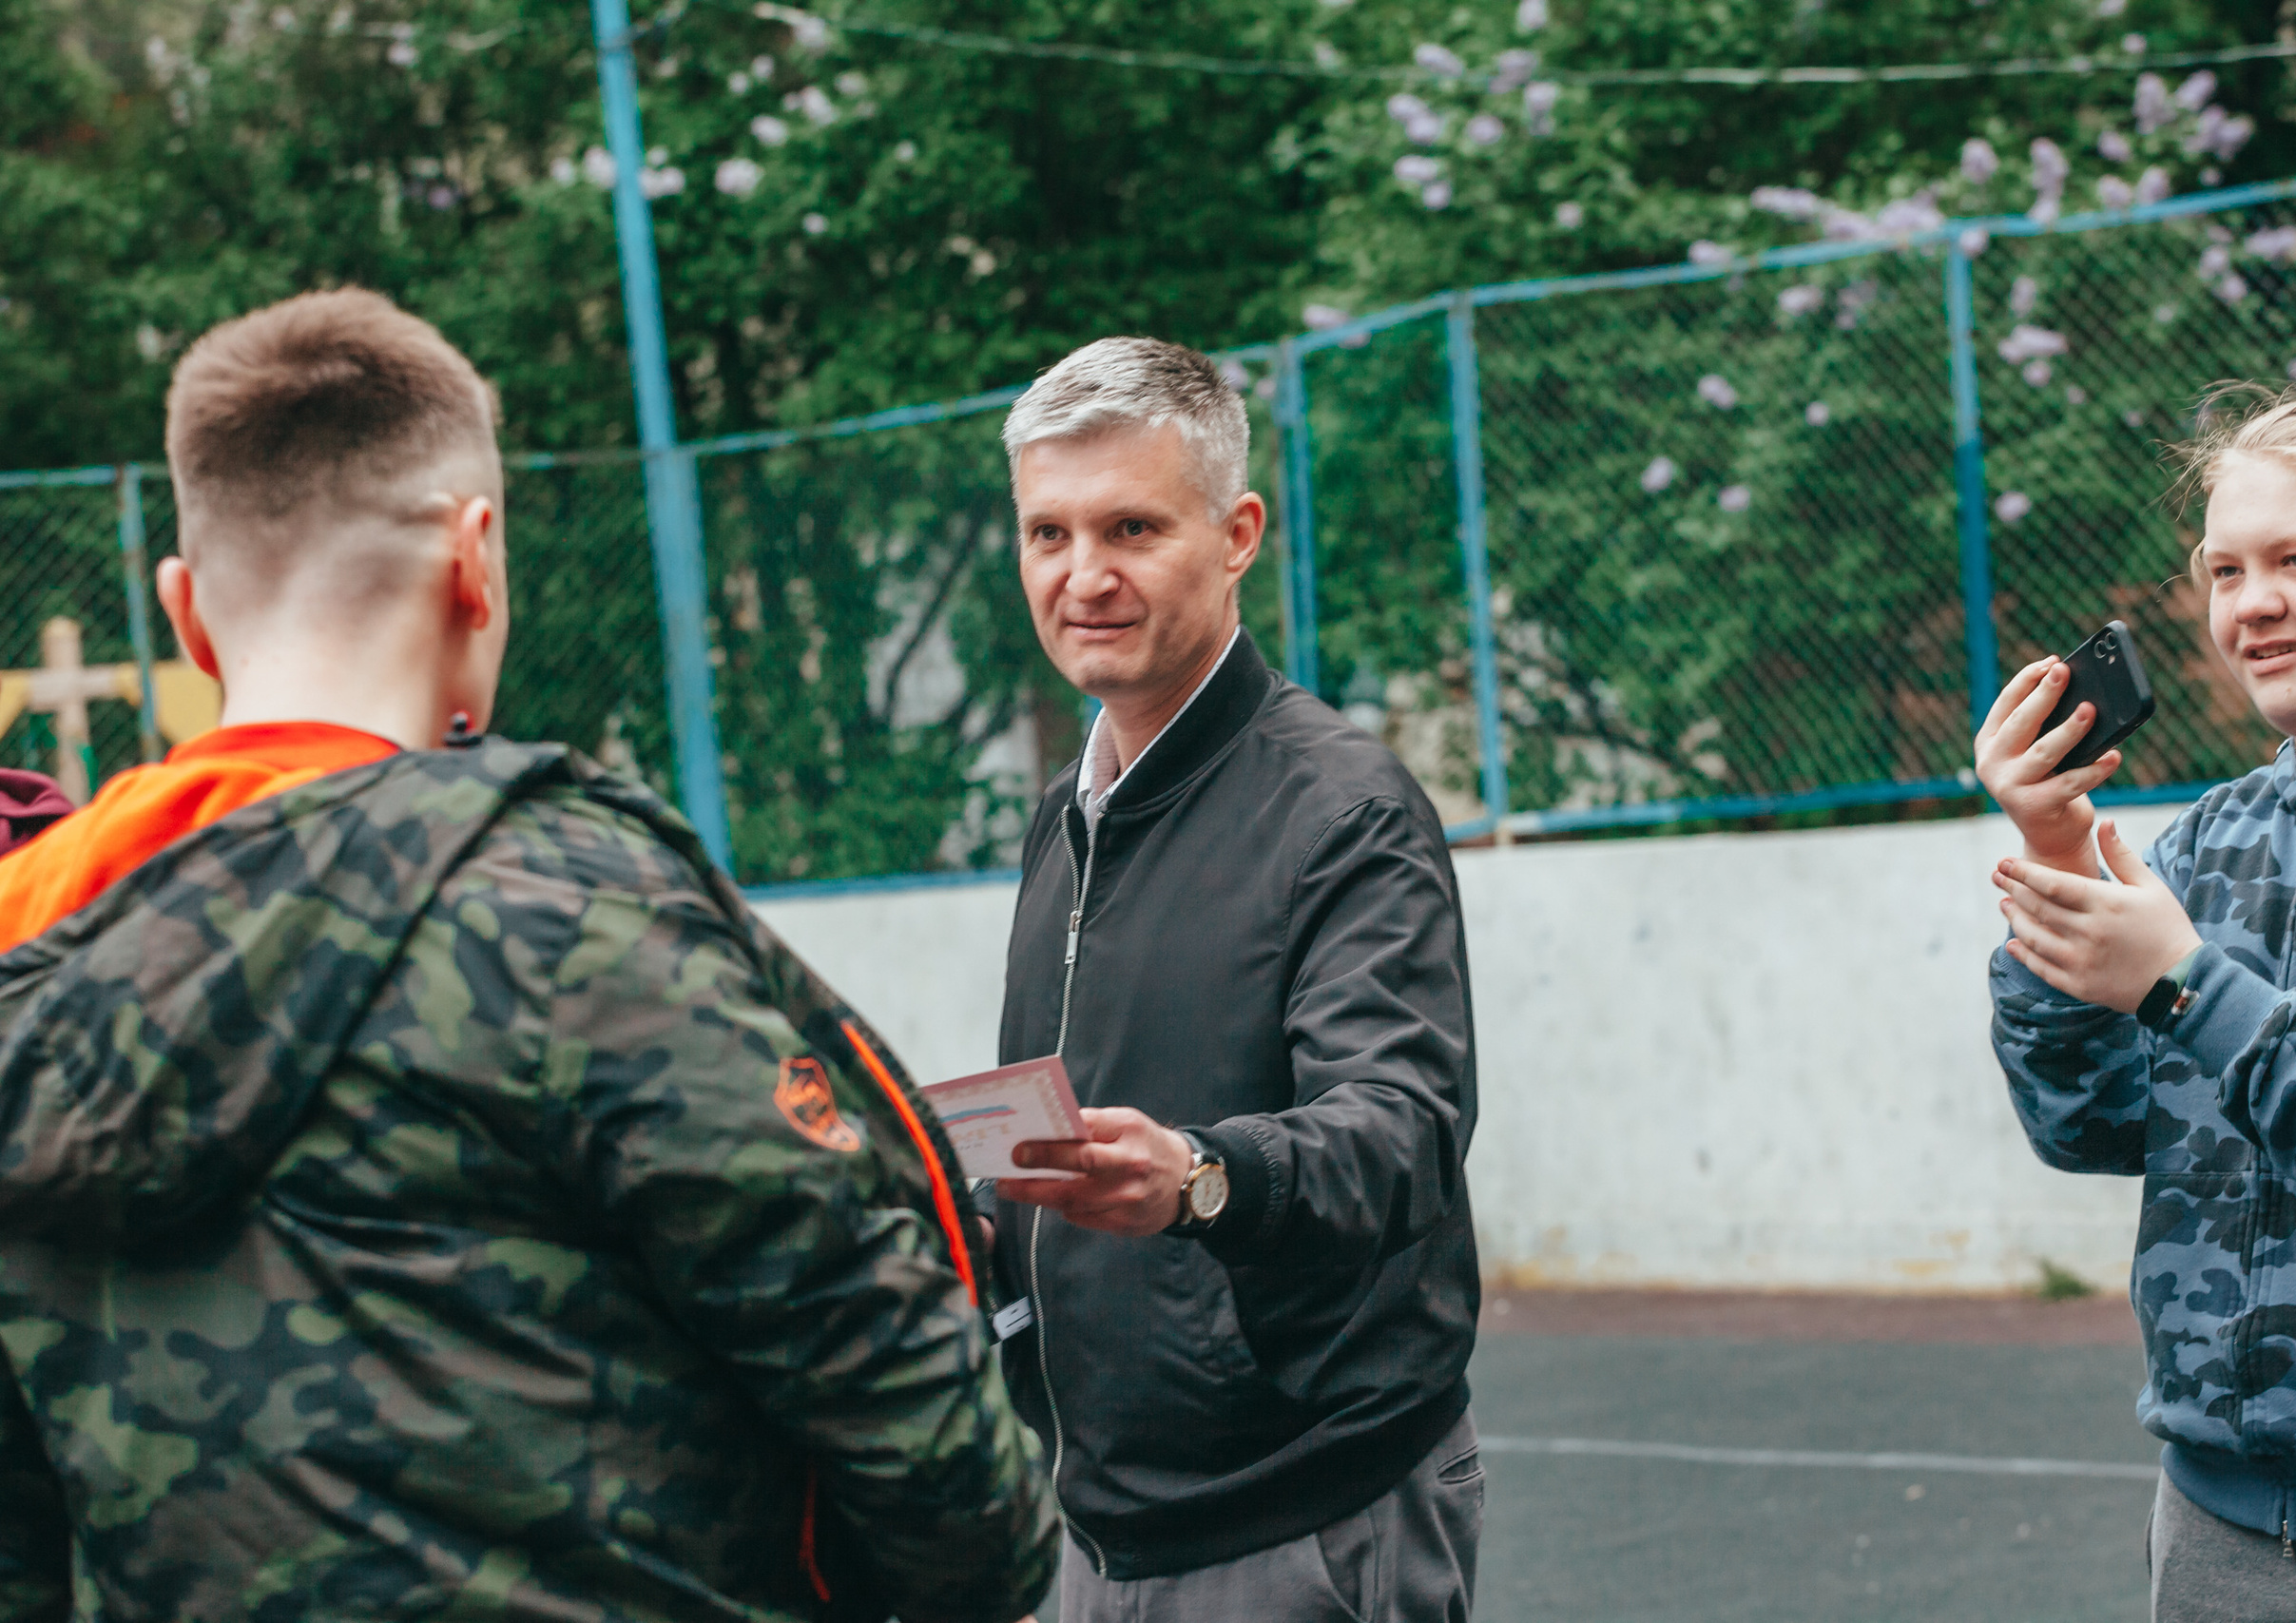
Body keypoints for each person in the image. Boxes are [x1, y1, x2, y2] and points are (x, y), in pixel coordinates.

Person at [0, 288, 1056, 1622]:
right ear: (476, 557)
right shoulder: (571, 906)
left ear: (184, 614)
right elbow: (932, 1442)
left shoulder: (31, 934)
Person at [982, 336, 1483, 1620]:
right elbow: (1057, 1155)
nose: (1084, 577)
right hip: (1100, 1530)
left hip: (1303, 1519)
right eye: (1049, 535)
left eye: (1132, 528)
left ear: (1237, 532)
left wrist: (1201, 1177)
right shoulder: (1064, 816)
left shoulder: (1346, 809)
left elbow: (1402, 1133)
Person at [1980, 382, 2296, 1620]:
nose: (2253, 605)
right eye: (2225, 571)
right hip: (2213, 1526)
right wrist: (2058, 863)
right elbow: (2088, 1126)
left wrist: (2182, 984)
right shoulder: (2207, 841)